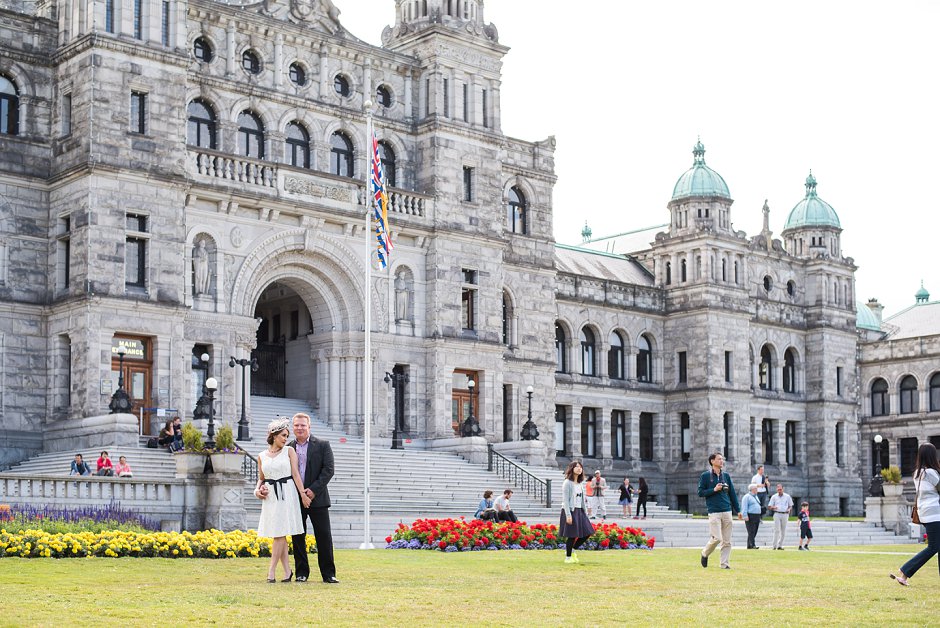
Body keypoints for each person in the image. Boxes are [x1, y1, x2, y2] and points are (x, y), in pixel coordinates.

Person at [255, 418, 310, 583]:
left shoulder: (289, 451)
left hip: (287, 493)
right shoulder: (261, 456)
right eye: (283, 435)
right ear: (273, 435)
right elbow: (261, 479)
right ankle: (287, 572)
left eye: (287, 436)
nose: (286, 439)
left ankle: (271, 572)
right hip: (271, 496)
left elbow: (295, 474)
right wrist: (257, 491)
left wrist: (303, 494)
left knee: (279, 534)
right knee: (278, 534)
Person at [289, 412, 338, 584]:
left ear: (309, 427)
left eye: (303, 425)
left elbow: (328, 470)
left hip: (318, 498)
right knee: (298, 537)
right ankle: (301, 573)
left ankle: (329, 574)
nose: (299, 428)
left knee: (324, 536)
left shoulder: (323, 445)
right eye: (296, 425)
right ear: (292, 427)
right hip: (296, 499)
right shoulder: (288, 448)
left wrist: (312, 490)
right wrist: (301, 493)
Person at [891, 443, 940, 586]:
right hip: (935, 513)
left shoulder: (917, 474)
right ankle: (905, 571)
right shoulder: (931, 473)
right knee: (933, 547)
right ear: (932, 456)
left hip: (925, 513)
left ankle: (905, 574)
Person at [698, 452, 741, 569]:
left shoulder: (726, 476)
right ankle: (705, 553)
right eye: (719, 459)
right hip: (714, 511)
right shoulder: (705, 476)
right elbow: (700, 492)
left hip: (727, 511)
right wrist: (714, 489)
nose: (722, 461)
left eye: (722, 459)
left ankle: (724, 564)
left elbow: (732, 493)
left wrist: (738, 510)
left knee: (727, 541)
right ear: (712, 461)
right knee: (717, 538)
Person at [559, 460, 594, 563]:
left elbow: (582, 500)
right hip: (570, 510)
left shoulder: (580, 483)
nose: (579, 468)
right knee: (572, 535)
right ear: (572, 469)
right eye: (577, 467)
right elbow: (565, 500)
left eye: (580, 467)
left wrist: (585, 512)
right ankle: (568, 557)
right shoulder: (567, 483)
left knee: (588, 532)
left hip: (580, 511)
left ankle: (573, 549)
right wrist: (568, 515)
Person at [767, 483, 793, 550]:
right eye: (778, 489)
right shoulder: (774, 497)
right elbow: (769, 506)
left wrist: (789, 509)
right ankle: (774, 546)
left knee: (783, 531)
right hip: (777, 514)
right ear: (776, 489)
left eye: (780, 489)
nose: (779, 490)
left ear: (783, 489)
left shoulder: (787, 496)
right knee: (777, 530)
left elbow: (790, 505)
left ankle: (780, 545)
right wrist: (773, 507)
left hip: (785, 514)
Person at [741, 483, 763, 549]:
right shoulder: (746, 497)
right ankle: (753, 545)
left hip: (757, 516)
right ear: (752, 489)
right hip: (750, 515)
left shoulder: (756, 496)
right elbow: (744, 507)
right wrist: (745, 516)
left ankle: (749, 545)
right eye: (756, 489)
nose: (757, 490)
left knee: (755, 530)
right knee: (751, 531)